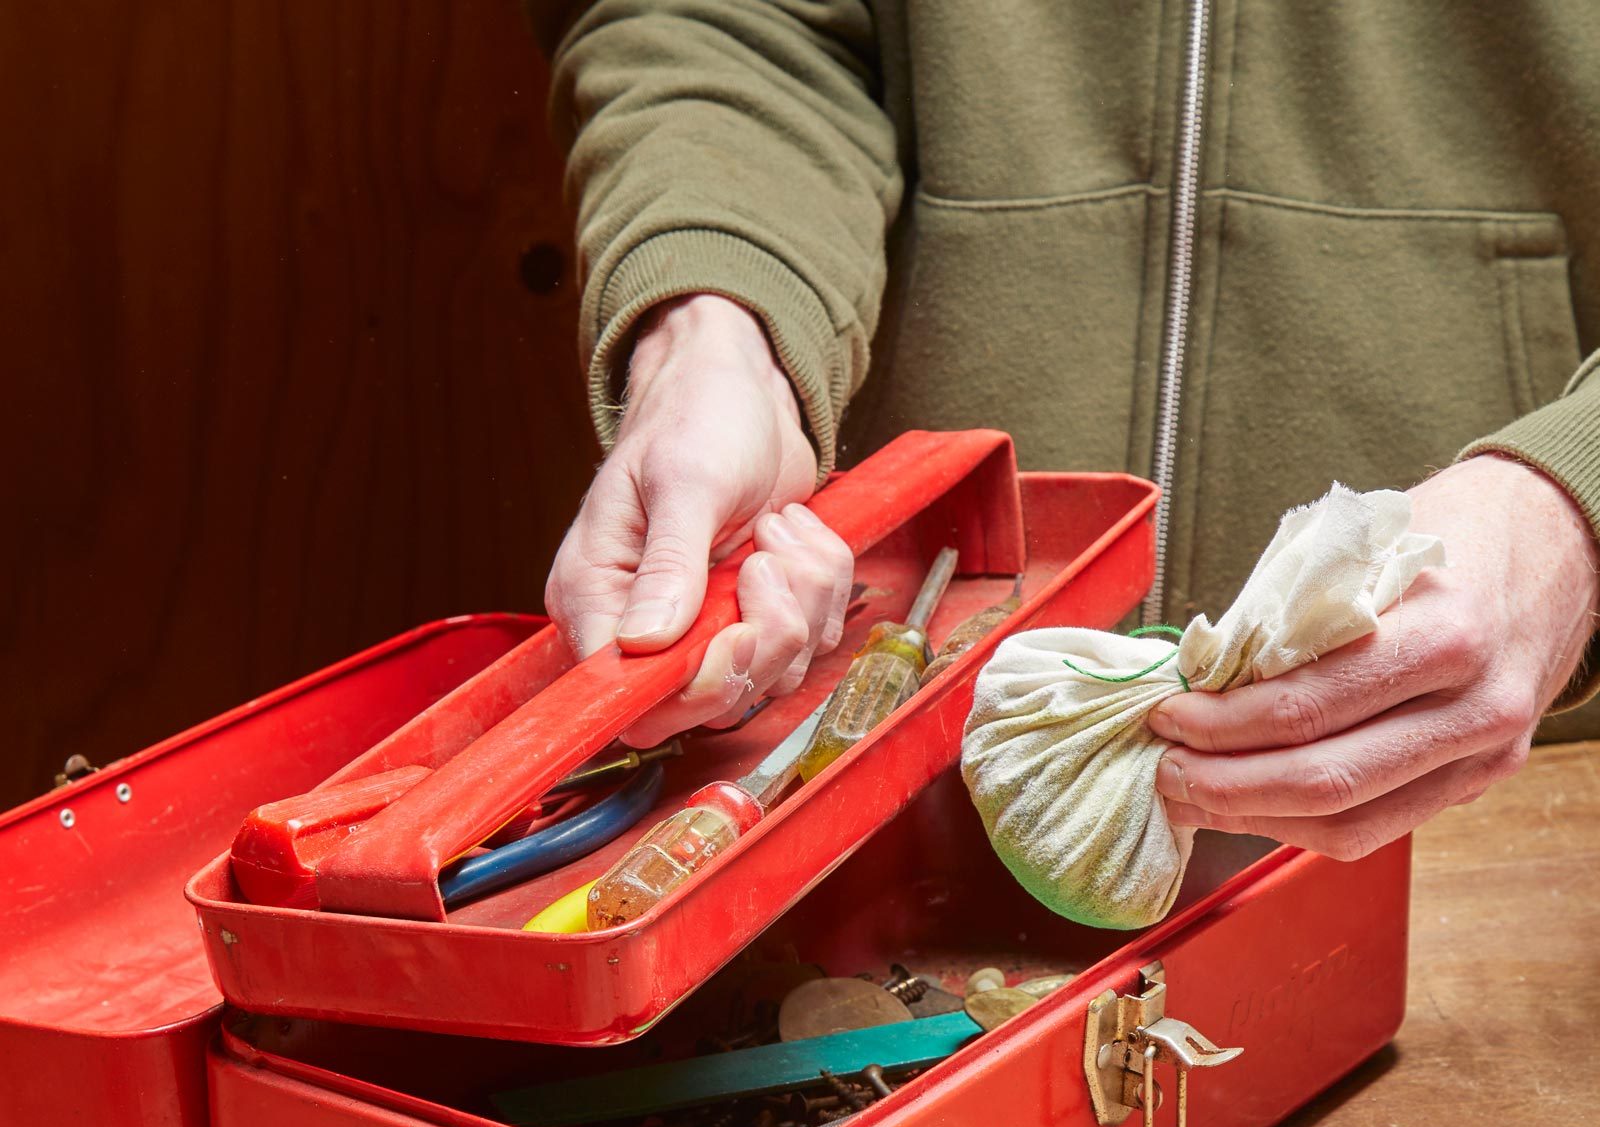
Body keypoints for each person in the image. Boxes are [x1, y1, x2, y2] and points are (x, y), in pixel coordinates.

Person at [534, 1, 1599, 862]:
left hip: (1483, 806)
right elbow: (730, 23)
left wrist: (1571, 507)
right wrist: (721, 324)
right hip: (881, 795)